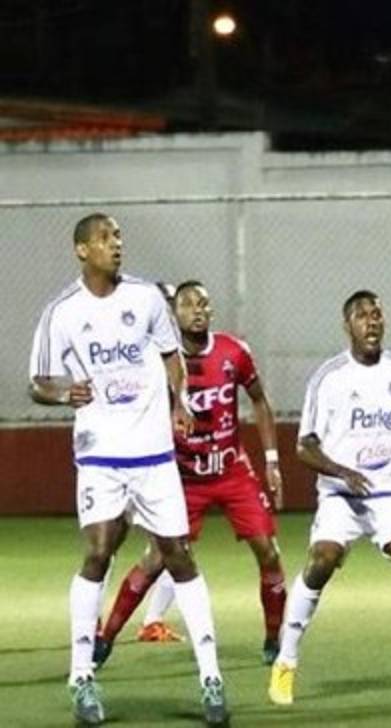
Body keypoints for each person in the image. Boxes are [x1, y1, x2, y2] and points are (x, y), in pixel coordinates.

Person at [28, 213, 228, 726]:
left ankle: (211, 677)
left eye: (117, 237)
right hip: (99, 455)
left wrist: (179, 400)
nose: (115, 245)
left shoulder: (144, 300)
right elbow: (37, 382)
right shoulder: (62, 312)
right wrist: (60, 392)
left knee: (179, 556)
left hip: (154, 454)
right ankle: (81, 676)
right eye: (103, 238)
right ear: (81, 250)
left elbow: (170, 356)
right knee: (97, 553)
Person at [267, 290, 391, 707]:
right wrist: (342, 472)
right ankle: (285, 663)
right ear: (348, 326)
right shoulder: (330, 377)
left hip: (390, 492)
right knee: (321, 562)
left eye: (377, 315)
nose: (372, 322)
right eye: (362, 316)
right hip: (341, 494)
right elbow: (304, 447)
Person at [94, 279, 287, 666]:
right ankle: (105, 638)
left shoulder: (234, 351)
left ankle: (273, 639)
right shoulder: (155, 360)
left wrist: (271, 461)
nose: (198, 309)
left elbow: (260, 403)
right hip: (181, 477)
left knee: (268, 552)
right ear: (174, 313)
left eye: (204, 302)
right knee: (157, 559)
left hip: (232, 471)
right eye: (187, 303)